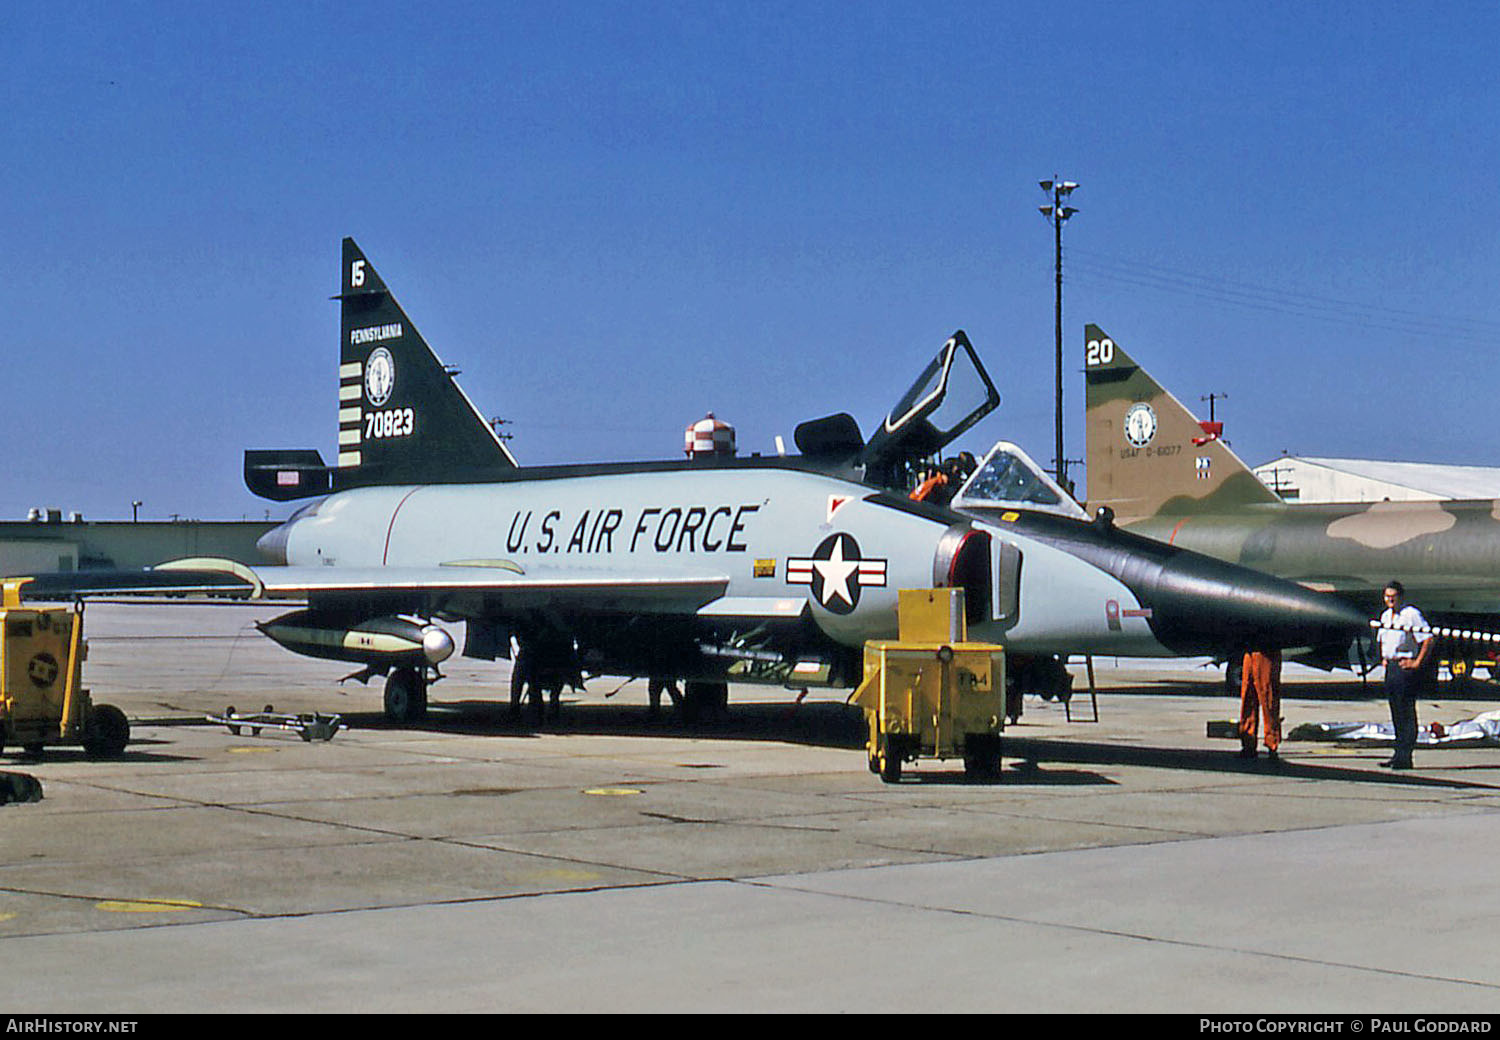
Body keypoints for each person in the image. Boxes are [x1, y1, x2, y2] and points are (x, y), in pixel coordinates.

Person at [1376, 581, 1434, 770]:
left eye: (1393, 596)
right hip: (1391, 667)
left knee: (1405, 711)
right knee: (1395, 711)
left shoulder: (1411, 615)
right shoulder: (1385, 616)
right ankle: (1398, 753)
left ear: (1401, 596)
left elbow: (1428, 639)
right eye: (1387, 596)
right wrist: (1384, 659)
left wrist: (1417, 662)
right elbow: (1383, 640)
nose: (1389, 599)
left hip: (1405, 668)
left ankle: (1405, 755)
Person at [1238, 647, 1282, 762]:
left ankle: (1272, 743)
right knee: (1248, 694)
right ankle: (1248, 743)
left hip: (1266, 648)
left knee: (1267, 695)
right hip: (1250, 648)